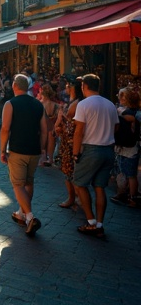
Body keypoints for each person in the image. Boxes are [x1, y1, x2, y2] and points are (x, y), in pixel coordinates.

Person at [0, 74, 47, 236]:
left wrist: (2, 149)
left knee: (18, 184)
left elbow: (5, 128)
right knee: (28, 182)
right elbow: (44, 129)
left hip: (17, 149)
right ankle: (21, 213)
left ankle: (30, 217)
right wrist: (42, 149)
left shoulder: (10, 104)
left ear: (14, 86)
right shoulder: (38, 104)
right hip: (34, 150)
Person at [72, 74, 118, 238]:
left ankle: (90, 221)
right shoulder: (110, 104)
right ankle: (99, 223)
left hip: (91, 149)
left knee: (79, 183)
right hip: (108, 149)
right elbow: (116, 128)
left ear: (84, 86)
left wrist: (76, 153)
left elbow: (79, 131)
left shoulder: (84, 105)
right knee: (100, 188)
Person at [54, 77, 83, 208]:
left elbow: (69, 118)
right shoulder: (72, 102)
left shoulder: (77, 103)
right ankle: (73, 197)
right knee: (68, 171)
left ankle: (75, 198)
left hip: (72, 142)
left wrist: (61, 115)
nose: (65, 87)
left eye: (67, 85)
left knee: (70, 171)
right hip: (67, 140)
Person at [110, 88, 140, 208]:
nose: (120, 99)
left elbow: (130, 120)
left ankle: (132, 197)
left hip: (130, 147)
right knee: (125, 172)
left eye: (123, 97)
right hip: (125, 146)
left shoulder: (130, 113)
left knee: (130, 174)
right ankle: (124, 193)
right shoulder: (132, 112)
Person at [39, 84, 60, 166]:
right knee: (51, 142)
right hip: (52, 126)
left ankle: (42, 159)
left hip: (42, 126)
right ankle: (50, 159)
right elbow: (60, 116)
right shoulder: (55, 105)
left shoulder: (39, 104)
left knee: (42, 142)